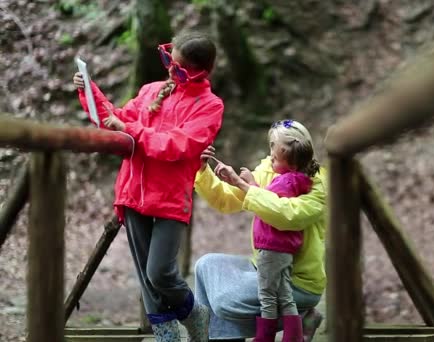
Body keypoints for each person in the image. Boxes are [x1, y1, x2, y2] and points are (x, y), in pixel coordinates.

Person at [73, 30, 224, 342]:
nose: (170, 69)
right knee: (145, 275)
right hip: (133, 190)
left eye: (179, 68)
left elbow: (177, 145)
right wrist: (91, 92)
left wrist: (131, 129)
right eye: (169, 60)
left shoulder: (210, 106)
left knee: (160, 272)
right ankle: (166, 333)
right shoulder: (152, 90)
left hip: (170, 196)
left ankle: (194, 313)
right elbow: (115, 120)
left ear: (200, 72)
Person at [193, 120, 326, 342]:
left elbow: (288, 215)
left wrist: (247, 187)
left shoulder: (317, 184)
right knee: (205, 265)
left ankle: (300, 318)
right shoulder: (269, 169)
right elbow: (227, 200)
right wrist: (202, 170)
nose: (270, 152)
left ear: (290, 153)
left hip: (297, 282)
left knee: (225, 300)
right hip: (263, 265)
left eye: (274, 147)